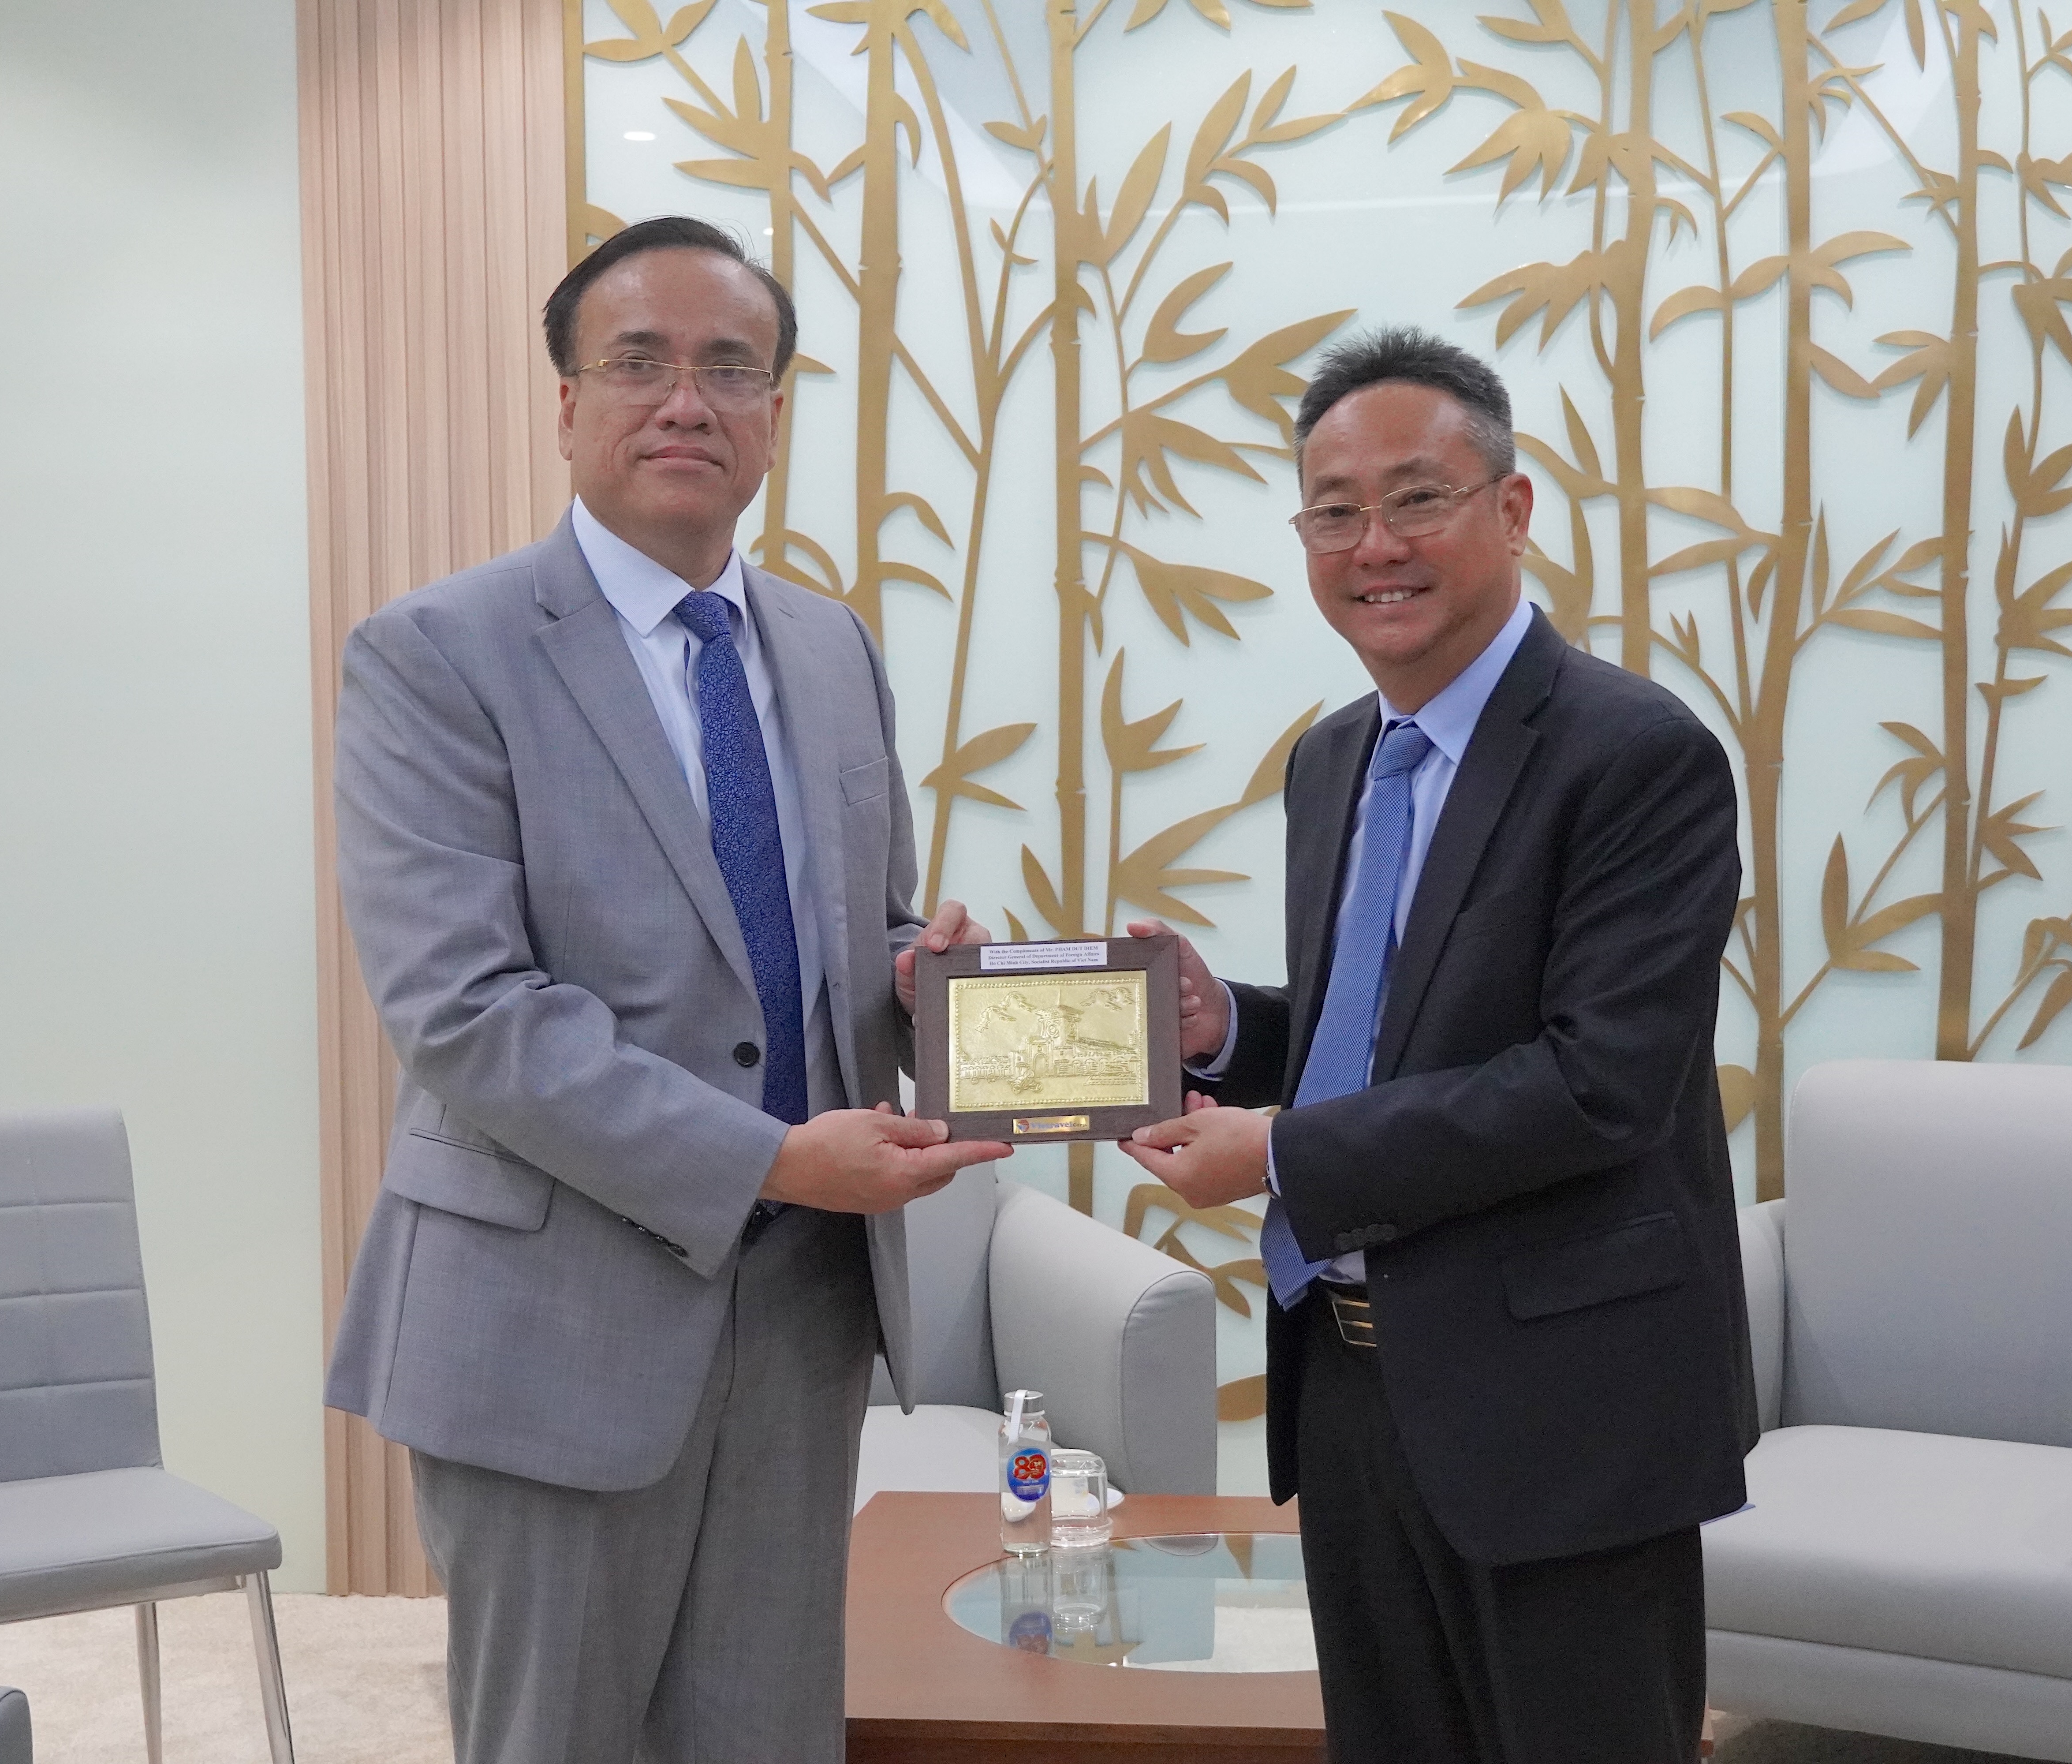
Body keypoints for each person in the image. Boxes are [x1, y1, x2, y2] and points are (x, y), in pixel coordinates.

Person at [322, 215, 1009, 1764]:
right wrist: (772, 1158)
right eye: (640, 363)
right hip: (553, 1320)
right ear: (568, 404)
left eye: (730, 368)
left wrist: (920, 977)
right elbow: (467, 1013)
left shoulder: (831, 650)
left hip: (802, 1317)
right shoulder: (437, 655)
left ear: (774, 412)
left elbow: (862, 931)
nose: (686, 402)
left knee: (769, 1736)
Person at [1120, 327, 1755, 1763]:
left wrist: (1280, 1153)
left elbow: (1597, 1085)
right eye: (1334, 513)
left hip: (1564, 1408)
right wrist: (1235, 1031)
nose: (1376, 547)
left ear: (1512, 510)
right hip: (1353, 1389)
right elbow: (1397, 1033)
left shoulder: (1636, 754)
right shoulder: (1334, 756)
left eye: (1418, 499)